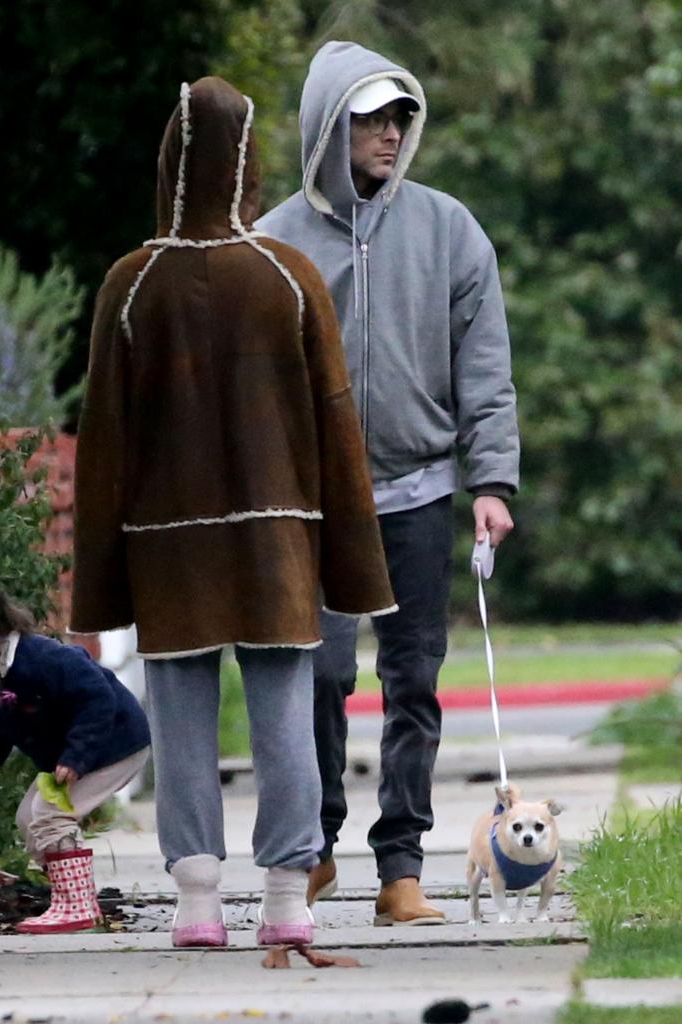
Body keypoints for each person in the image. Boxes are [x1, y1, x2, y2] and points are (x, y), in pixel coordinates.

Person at [70, 77, 395, 948]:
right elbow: (336, 425)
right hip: (276, 536)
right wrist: (355, 561)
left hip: (166, 546)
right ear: (251, 169)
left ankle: (198, 904)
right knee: (284, 709)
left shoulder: (132, 286)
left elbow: (103, 441)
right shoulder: (286, 279)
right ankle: (288, 901)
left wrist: (97, 588)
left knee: (180, 716)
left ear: (168, 159)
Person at [258, 41, 520, 925]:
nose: (387, 133)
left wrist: (493, 482)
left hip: (419, 490)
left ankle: (400, 866)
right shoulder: (275, 241)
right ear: (329, 128)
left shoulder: (449, 229)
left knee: (413, 679)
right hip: (315, 502)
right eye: (368, 117)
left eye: (397, 116)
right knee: (322, 675)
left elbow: (485, 369)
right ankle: (318, 842)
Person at [0, 590, 150, 934]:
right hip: (72, 756)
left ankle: (77, 906)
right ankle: (72, 898)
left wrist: (76, 756)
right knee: (29, 818)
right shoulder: (3, 674)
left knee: (51, 816)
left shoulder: (42, 657)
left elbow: (98, 697)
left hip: (113, 745)